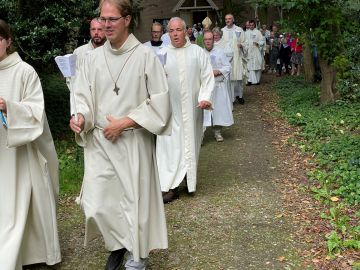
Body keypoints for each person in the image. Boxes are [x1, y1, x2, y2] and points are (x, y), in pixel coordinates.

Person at [69, 0, 172, 269]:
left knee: (133, 201)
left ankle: (136, 256)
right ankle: (118, 243)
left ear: (127, 20)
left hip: (132, 142)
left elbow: (160, 103)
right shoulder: (91, 58)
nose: (105, 24)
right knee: (97, 204)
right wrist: (80, 117)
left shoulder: (145, 56)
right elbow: (81, 96)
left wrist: (126, 122)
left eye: (112, 19)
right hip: (101, 142)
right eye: (102, 19)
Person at [0, 19, 61, 270]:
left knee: (25, 200)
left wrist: (9, 108)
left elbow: (36, 111)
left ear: (8, 41)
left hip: (21, 152)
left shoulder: (24, 71)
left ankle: (32, 254)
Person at [156, 17, 214, 203]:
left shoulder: (197, 53)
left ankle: (189, 180)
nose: (174, 34)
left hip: (192, 109)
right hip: (170, 110)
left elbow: (207, 77)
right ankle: (170, 186)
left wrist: (205, 98)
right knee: (170, 147)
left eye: (178, 30)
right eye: (171, 30)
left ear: (185, 31)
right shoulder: (161, 54)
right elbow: (152, 81)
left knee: (190, 143)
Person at [70, 18, 106, 115]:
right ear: (90, 31)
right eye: (93, 29)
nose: (96, 32)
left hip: (105, 105)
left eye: (100, 29)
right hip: (83, 105)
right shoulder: (78, 52)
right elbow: (72, 81)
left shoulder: (111, 52)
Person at [203, 31, 233, 142]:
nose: (208, 41)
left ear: (213, 40)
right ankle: (201, 134)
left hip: (218, 85)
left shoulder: (220, 52)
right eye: (206, 39)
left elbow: (228, 67)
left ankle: (217, 132)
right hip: (205, 87)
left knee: (218, 111)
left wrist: (219, 71)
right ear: (203, 41)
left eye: (209, 39)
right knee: (204, 111)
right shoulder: (200, 53)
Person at [221, 13, 246, 104]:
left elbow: (244, 42)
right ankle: (231, 97)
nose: (227, 20)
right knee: (230, 78)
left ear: (233, 19)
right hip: (226, 58)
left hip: (237, 56)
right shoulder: (222, 31)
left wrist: (242, 45)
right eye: (226, 19)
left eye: (229, 19)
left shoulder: (239, 29)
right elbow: (219, 43)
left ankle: (239, 95)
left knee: (238, 77)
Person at [244, 20, 264, 85]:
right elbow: (244, 42)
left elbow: (262, 41)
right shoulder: (246, 33)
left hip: (256, 50)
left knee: (257, 65)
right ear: (248, 25)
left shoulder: (258, 32)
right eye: (250, 25)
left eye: (252, 25)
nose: (251, 26)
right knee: (249, 66)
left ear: (254, 25)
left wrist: (258, 43)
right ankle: (250, 80)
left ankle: (257, 80)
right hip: (249, 51)